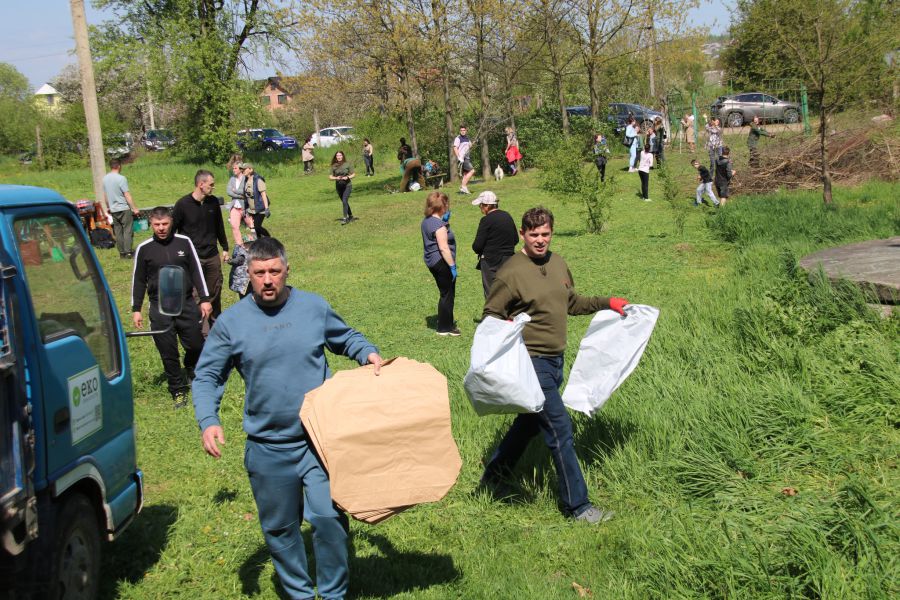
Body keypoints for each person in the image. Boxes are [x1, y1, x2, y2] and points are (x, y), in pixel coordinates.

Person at [192, 236, 384, 600]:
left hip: (319, 440)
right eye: (259, 272)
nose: (267, 280)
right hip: (268, 447)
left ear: (286, 270)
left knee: (329, 521)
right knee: (280, 529)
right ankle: (298, 593)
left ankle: (332, 594)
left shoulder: (313, 307)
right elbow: (206, 376)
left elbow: (346, 338)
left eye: (274, 271)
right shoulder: (232, 322)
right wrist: (208, 418)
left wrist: (367, 353)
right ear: (247, 273)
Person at [479, 206, 628, 524]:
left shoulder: (558, 263)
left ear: (551, 233)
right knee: (560, 429)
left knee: (529, 423)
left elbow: (572, 302)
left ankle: (494, 476)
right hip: (532, 363)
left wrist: (608, 303)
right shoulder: (512, 271)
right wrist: (506, 324)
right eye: (533, 234)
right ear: (523, 234)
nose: (540, 240)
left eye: (545, 234)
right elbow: (491, 314)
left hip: (555, 360)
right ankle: (578, 507)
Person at [131, 206, 211, 407]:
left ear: (171, 222)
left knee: (195, 344)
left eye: (165, 224)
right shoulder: (144, 248)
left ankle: (193, 370)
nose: (161, 228)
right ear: (151, 224)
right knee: (168, 351)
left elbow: (196, 271)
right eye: (157, 225)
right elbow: (138, 280)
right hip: (160, 307)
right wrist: (136, 309)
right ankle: (178, 390)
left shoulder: (184, 242)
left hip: (185, 303)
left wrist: (205, 298)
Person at [173, 170, 229, 331]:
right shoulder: (182, 205)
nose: (213, 187)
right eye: (211, 184)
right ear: (200, 184)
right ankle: (202, 331)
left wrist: (224, 247)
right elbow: (172, 231)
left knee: (215, 291)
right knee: (197, 295)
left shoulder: (213, 203)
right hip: (193, 258)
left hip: (212, 255)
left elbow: (219, 226)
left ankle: (216, 327)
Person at [421, 191, 459, 336]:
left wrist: (445, 222)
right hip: (441, 262)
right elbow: (443, 248)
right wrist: (452, 266)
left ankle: (445, 323)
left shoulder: (427, 221)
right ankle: (445, 328)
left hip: (431, 261)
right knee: (447, 294)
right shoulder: (439, 226)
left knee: (445, 293)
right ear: (443, 206)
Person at [471, 191, 518, 298]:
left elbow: (477, 246)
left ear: (487, 205)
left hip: (490, 262)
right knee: (508, 294)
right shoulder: (507, 216)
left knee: (491, 295)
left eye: (481, 205)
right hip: (509, 261)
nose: (480, 207)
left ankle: (493, 314)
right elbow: (515, 239)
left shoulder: (486, 220)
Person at [102, 158, 141, 259]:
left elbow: (105, 195)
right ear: (119, 166)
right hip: (124, 208)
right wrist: (134, 208)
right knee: (127, 230)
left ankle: (122, 253)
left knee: (118, 231)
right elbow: (127, 195)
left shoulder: (105, 179)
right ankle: (128, 252)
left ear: (110, 166)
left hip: (113, 209)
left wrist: (108, 207)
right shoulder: (121, 178)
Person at [225, 154, 252, 247]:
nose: (233, 170)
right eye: (233, 168)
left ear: (240, 169)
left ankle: (255, 243)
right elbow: (228, 191)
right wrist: (240, 196)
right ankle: (240, 245)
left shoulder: (246, 179)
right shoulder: (232, 179)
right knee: (234, 226)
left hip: (245, 207)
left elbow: (245, 191)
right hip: (235, 207)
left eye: (235, 168)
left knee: (251, 226)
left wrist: (235, 191)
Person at [241, 163, 271, 238]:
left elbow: (263, 194)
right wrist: (245, 208)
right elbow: (246, 195)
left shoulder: (258, 180)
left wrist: (266, 208)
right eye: (242, 169)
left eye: (244, 169)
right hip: (251, 209)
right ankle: (259, 242)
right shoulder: (246, 180)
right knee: (255, 228)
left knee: (257, 226)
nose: (243, 171)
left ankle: (269, 238)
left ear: (250, 169)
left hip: (260, 208)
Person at [329, 151, 357, 224]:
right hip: (339, 186)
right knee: (344, 202)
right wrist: (336, 178)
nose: (339, 157)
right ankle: (350, 216)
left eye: (340, 155)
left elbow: (353, 174)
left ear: (343, 156)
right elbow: (330, 177)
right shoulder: (333, 166)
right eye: (337, 156)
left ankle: (345, 218)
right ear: (336, 157)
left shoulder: (347, 164)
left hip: (347, 185)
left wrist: (347, 177)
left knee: (344, 200)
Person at [454, 125, 475, 194]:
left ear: (466, 131)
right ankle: (463, 186)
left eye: (464, 130)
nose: (463, 132)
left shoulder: (467, 138)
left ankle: (463, 188)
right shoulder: (458, 138)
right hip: (462, 159)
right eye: (461, 130)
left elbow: (470, 146)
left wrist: (474, 142)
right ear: (460, 131)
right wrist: (459, 157)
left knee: (466, 174)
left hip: (467, 158)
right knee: (472, 171)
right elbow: (455, 148)